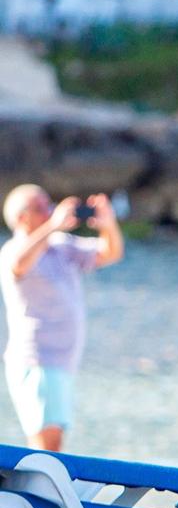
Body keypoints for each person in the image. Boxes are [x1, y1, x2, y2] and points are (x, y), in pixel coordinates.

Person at [1, 186, 124, 451]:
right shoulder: (13, 250)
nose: (50, 211)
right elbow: (19, 264)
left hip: (60, 362)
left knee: (49, 443)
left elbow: (110, 253)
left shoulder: (61, 246)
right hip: (38, 361)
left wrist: (108, 224)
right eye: (41, 207)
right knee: (47, 446)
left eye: (50, 204)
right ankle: (40, 493)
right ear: (22, 217)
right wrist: (53, 227)